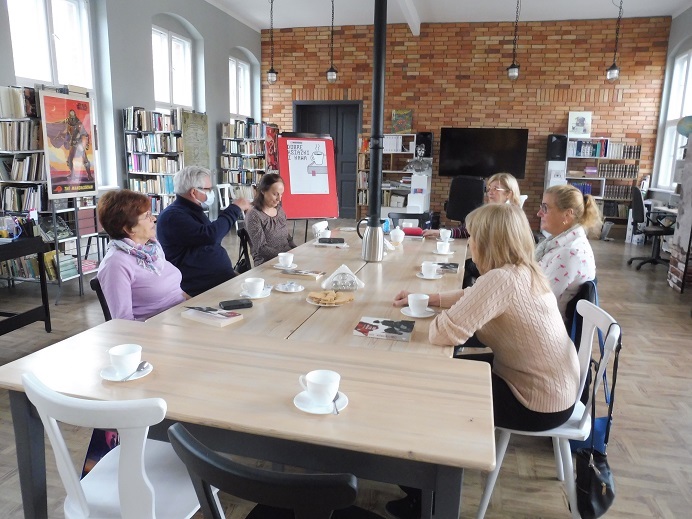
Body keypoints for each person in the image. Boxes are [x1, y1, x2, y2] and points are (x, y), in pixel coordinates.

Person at [388, 204, 579, 519]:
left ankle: (423, 496)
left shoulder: (501, 280)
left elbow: (442, 333)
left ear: (489, 243)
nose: (470, 242)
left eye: (473, 236)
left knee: (430, 389)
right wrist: (430, 299)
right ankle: (425, 485)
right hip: (555, 390)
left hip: (535, 402)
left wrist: (440, 314)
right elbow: (475, 295)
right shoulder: (524, 270)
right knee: (449, 373)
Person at [156, 166, 252, 297]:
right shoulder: (172, 216)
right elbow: (210, 235)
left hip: (220, 280)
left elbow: (207, 241)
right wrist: (235, 208)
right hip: (200, 289)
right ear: (194, 192)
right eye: (208, 189)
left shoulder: (192, 210)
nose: (211, 193)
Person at [96, 189, 187, 321]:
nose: (154, 219)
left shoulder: (152, 248)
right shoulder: (116, 264)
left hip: (181, 316)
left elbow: (176, 293)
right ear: (128, 228)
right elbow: (123, 321)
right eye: (146, 216)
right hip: (156, 328)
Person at [535, 184, 600, 321]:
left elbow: (539, 302)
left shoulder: (569, 253)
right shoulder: (557, 243)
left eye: (545, 208)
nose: (539, 213)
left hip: (548, 326)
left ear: (567, 214)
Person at [422, 172, 521, 239]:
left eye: (495, 189)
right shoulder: (489, 211)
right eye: (489, 188)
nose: (490, 192)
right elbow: (468, 231)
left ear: (508, 194)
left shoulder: (512, 216)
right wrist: (440, 233)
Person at [245, 173, 296, 266]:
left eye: (281, 194)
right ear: (263, 191)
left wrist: (297, 250)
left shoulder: (279, 210)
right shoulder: (254, 215)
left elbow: (287, 237)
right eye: (275, 194)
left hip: (286, 259)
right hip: (267, 263)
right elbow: (261, 248)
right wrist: (285, 256)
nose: (279, 199)